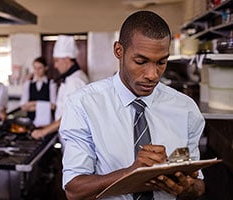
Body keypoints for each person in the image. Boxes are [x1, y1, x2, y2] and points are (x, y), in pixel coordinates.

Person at [60, 11, 205, 200]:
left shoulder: (186, 109)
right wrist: (131, 174)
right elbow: (74, 190)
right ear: (119, 51)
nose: (152, 74)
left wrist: (185, 187)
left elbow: (198, 186)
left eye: (161, 62)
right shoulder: (84, 105)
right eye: (141, 61)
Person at [31, 35, 89, 140]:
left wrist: (44, 131)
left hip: (76, 140)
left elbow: (71, 116)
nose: (55, 65)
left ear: (67, 60)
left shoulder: (76, 81)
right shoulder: (70, 78)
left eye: (57, 61)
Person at [19, 56, 57, 126]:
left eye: (40, 68)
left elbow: (53, 106)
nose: (37, 70)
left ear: (46, 68)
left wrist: (32, 103)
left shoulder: (51, 84)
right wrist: (44, 106)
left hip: (47, 123)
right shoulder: (28, 84)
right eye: (35, 68)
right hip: (30, 121)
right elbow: (23, 107)